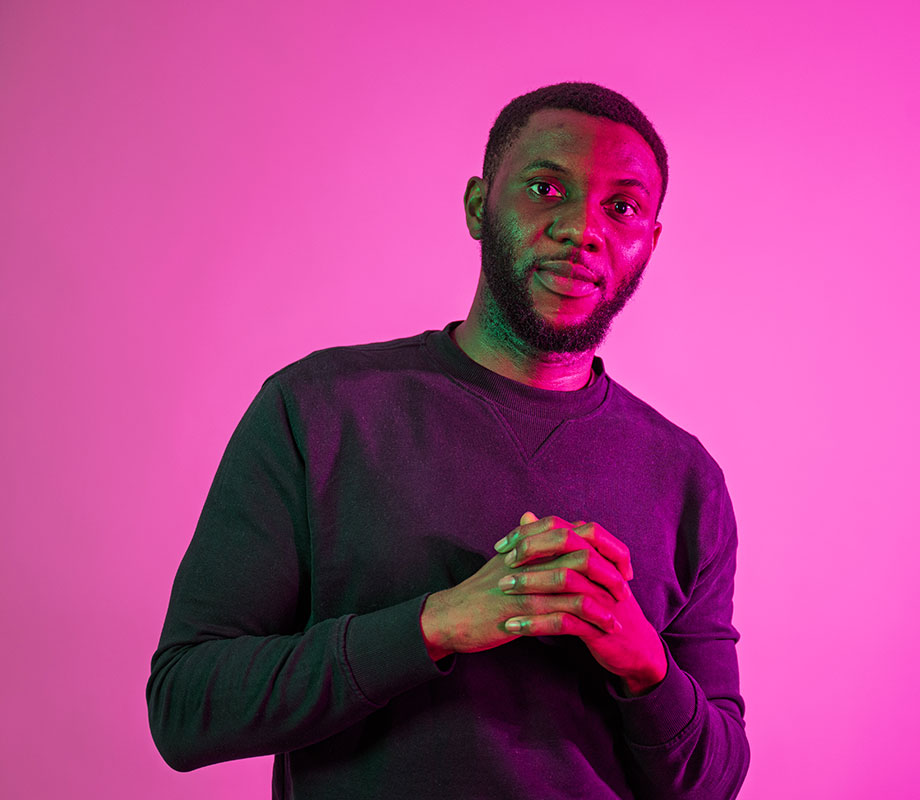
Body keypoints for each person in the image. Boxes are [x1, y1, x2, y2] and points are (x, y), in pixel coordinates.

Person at [147, 82, 750, 799]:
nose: (582, 229)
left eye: (620, 207)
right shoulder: (320, 409)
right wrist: (435, 624)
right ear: (477, 205)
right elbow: (185, 708)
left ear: (647, 242)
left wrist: (642, 659)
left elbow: (712, 782)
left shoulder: (685, 478)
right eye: (546, 188)